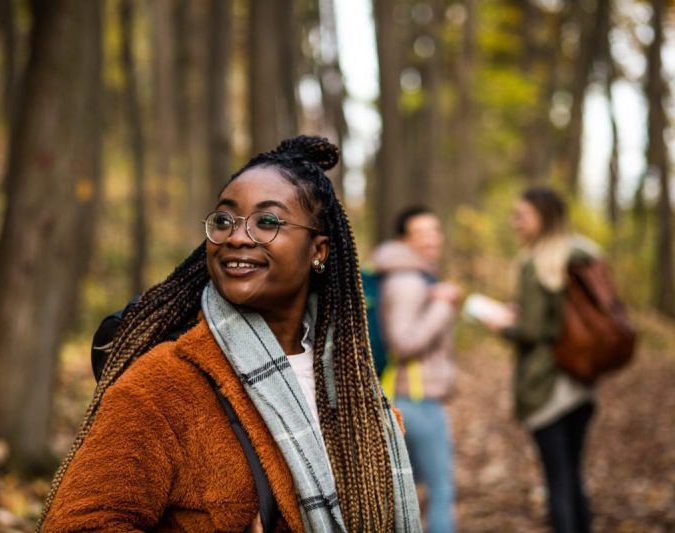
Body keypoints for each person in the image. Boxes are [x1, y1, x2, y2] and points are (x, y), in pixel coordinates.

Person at [38, 136, 422, 532]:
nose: (237, 237)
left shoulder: (353, 391)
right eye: (224, 220)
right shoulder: (163, 385)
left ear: (318, 250)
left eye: (267, 221)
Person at [485, 186, 598, 533]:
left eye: (522, 216)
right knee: (573, 477)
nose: (514, 222)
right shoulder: (584, 254)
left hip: (546, 385)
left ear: (543, 219)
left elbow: (532, 332)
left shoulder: (537, 264)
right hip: (581, 381)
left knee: (557, 482)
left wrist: (502, 326)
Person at [371, 206, 461, 533]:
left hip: (406, 396)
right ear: (403, 240)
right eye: (420, 233)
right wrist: (442, 305)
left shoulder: (411, 276)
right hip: (416, 399)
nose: (430, 239)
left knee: (403, 494)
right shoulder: (407, 280)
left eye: (434, 231)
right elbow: (403, 342)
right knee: (441, 492)